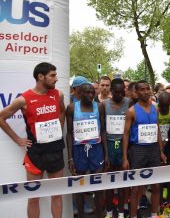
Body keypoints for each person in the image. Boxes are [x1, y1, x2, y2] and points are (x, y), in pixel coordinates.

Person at [0, 62, 65, 218]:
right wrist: (18, 140)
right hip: (35, 153)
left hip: (55, 150)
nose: (56, 78)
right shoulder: (23, 99)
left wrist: (58, 130)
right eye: (53, 75)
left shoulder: (58, 94)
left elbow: (62, 111)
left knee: (57, 195)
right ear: (40, 77)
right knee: (34, 197)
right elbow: (2, 118)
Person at [122, 81, 166, 218]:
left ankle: (154, 214)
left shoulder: (155, 108)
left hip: (153, 149)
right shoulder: (131, 111)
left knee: (156, 186)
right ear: (136, 92)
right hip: (138, 150)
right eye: (142, 89)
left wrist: (161, 151)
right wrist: (125, 158)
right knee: (136, 187)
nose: (146, 91)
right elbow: (125, 134)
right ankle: (133, 215)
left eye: (148, 89)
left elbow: (157, 129)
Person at [66, 81, 108, 218]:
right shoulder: (72, 108)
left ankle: (99, 214)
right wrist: (70, 157)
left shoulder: (100, 107)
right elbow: (69, 134)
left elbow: (103, 131)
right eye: (87, 92)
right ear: (79, 93)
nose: (91, 95)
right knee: (80, 186)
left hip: (96, 149)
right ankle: (81, 214)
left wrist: (106, 154)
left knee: (98, 185)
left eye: (92, 92)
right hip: (79, 151)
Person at [104, 79, 130, 218]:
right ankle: (109, 211)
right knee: (109, 180)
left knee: (122, 179)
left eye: (122, 92)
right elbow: (102, 128)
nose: (120, 94)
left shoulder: (128, 103)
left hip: (123, 144)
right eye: (116, 92)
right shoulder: (104, 105)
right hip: (109, 144)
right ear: (111, 91)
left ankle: (120, 211)